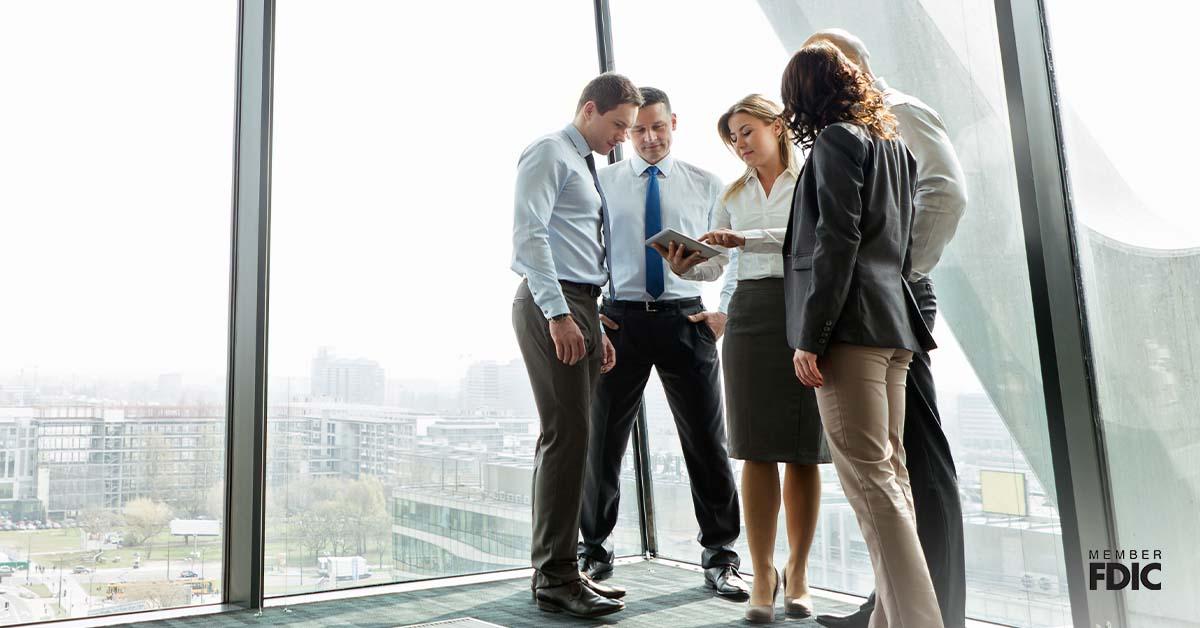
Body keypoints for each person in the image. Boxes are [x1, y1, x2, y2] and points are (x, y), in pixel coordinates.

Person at [802, 28, 967, 628]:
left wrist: (895, 272)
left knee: (907, 464)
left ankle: (931, 611)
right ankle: (890, 608)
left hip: (885, 301)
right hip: (883, 298)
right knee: (891, 466)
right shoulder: (861, 132)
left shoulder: (894, 115)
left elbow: (945, 194)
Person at [662, 93, 830, 624]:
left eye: (746, 130)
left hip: (804, 308)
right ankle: (762, 572)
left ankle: (798, 573)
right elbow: (717, 268)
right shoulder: (729, 193)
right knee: (755, 450)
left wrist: (748, 238)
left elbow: (820, 241)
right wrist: (687, 265)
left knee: (804, 450)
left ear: (777, 126)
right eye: (732, 137)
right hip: (751, 313)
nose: (739, 143)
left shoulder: (811, 182)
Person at [578, 87, 748, 600]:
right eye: (638, 130)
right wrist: (592, 313)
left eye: (658, 127)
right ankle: (594, 549)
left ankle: (721, 555)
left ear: (674, 122)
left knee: (706, 441)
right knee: (602, 441)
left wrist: (725, 313)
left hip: (686, 318)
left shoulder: (707, 184)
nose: (649, 139)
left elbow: (730, 255)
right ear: (625, 131)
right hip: (619, 321)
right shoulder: (600, 183)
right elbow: (586, 250)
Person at [510, 71, 642, 619]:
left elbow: (582, 243)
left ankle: (560, 569)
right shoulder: (549, 153)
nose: (622, 138)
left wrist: (595, 325)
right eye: (618, 126)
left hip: (584, 305)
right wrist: (561, 315)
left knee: (569, 440)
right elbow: (530, 234)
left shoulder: (585, 165)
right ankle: (556, 578)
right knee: (568, 438)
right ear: (589, 109)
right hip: (554, 302)